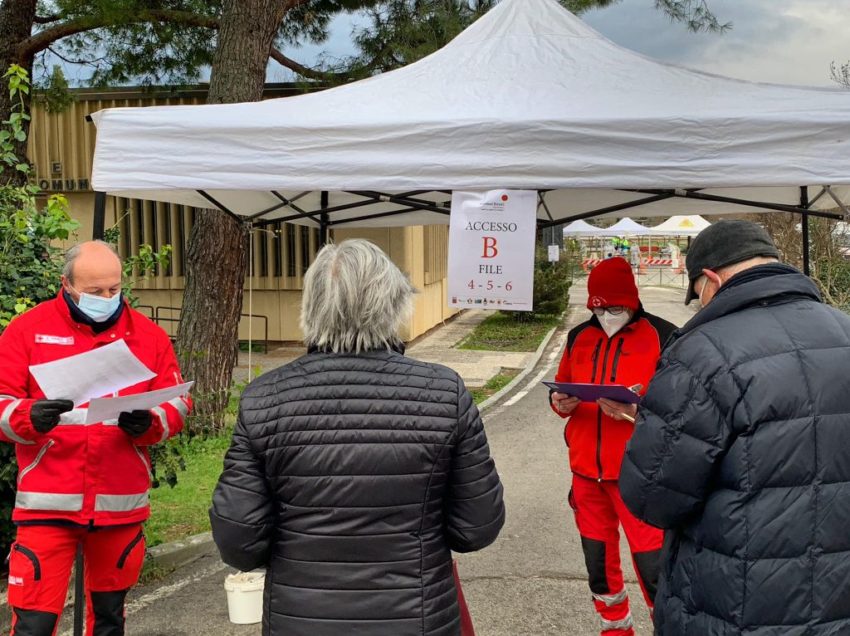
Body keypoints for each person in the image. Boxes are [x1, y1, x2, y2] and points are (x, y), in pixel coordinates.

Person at [210, 238, 505, 636]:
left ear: (310, 307)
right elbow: (477, 526)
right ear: (393, 303)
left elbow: (239, 541)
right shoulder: (443, 393)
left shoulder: (265, 400)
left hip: (302, 619)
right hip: (417, 618)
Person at [619, 219, 850, 634]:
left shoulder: (701, 354)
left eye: (697, 295)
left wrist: (657, 422)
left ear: (710, 279)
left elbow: (652, 497)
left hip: (732, 601)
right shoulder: (845, 330)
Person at [0, 240, 191, 635]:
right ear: (66, 284)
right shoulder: (27, 332)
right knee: (32, 625)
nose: (107, 299)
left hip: (119, 503)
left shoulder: (149, 337)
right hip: (47, 506)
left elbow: (179, 403)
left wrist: (153, 422)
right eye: (94, 292)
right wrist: (25, 415)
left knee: (108, 622)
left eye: (114, 290)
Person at [549, 256, 676, 636]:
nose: (606, 314)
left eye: (615, 307)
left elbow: (685, 410)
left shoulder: (666, 337)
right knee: (599, 572)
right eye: (599, 307)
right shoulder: (579, 337)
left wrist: (638, 411)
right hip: (586, 475)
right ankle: (614, 631)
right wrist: (559, 403)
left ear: (633, 301)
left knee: (656, 571)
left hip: (641, 475)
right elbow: (561, 384)